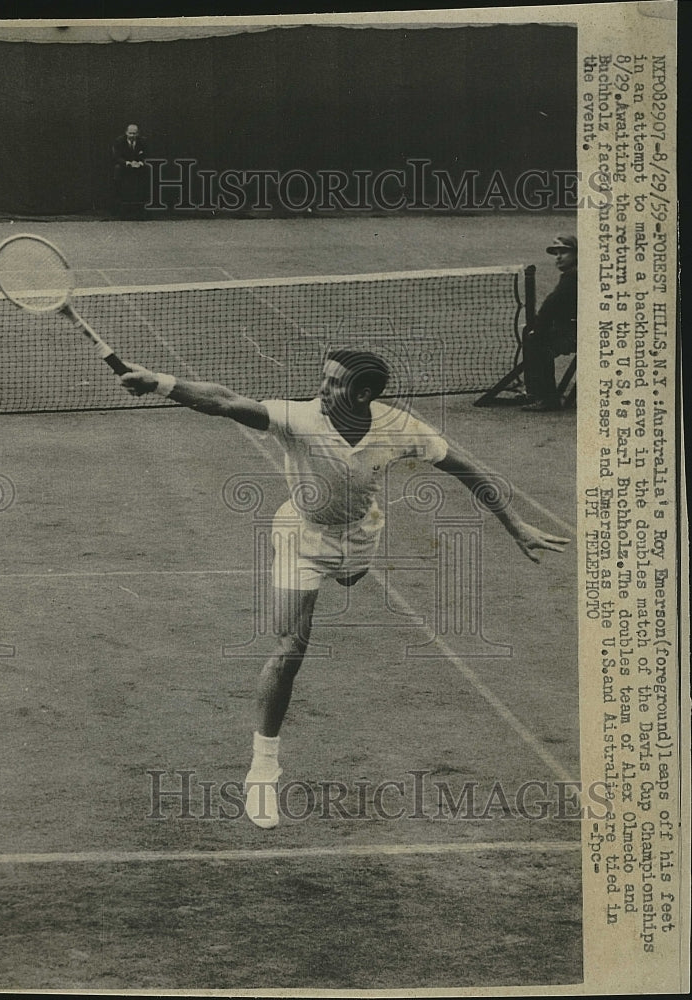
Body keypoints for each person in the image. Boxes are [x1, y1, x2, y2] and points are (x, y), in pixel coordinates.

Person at [121, 350, 569, 828]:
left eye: (333, 383)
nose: (321, 389)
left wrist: (516, 524)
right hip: (301, 538)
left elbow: (467, 471)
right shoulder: (299, 417)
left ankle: (349, 568)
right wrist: (160, 383)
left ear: (363, 395)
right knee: (290, 648)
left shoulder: (400, 427)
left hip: (361, 534)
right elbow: (225, 402)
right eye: (323, 379)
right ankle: (263, 771)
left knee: (352, 576)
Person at [522, 235, 578, 412]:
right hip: (579, 330)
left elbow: (550, 306)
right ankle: (536, 392)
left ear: (577, 254)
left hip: (578, 335)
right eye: (556, 253)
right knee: (535, 336)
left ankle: (547, 398)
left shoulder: (572, 277)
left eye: (564, 252)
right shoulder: (577, 273)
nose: (559, 257)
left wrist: (538, 330)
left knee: (536, 341)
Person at [110, 123, 146, 215]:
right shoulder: (119, 141)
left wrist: (140, 163)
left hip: (139, 165)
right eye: (130, 133)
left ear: (137, 134)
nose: (132, 135)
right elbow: (116, 156)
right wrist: (128, 163)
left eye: (134, 133)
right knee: (117, 169)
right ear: (126, 132)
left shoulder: (143, 141)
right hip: (124, 165)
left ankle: (144, 202)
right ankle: (118, 200)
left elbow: (147, 154)